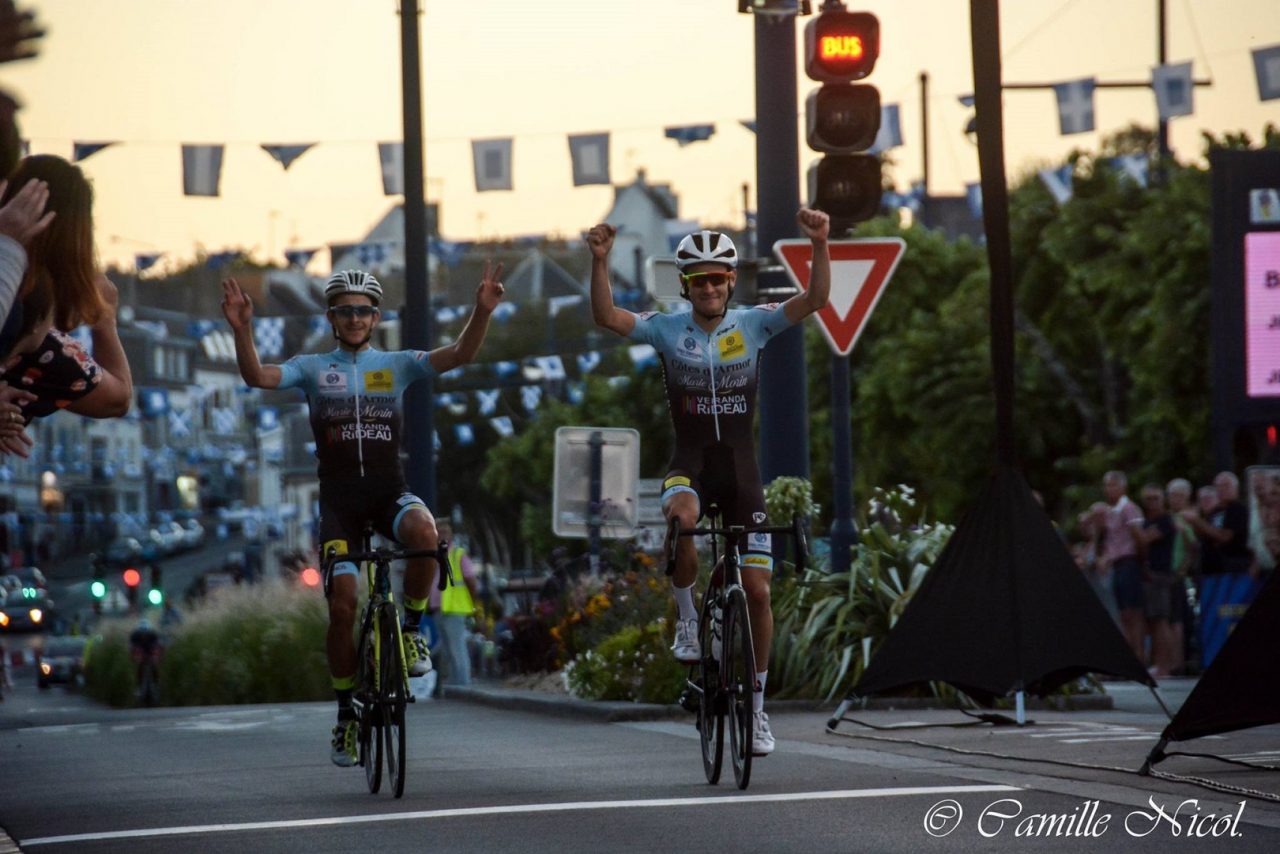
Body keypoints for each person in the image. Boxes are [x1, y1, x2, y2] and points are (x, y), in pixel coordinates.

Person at [221, 263, 504, 767]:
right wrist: (242, 329)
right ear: (332, 317)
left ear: (376, 318)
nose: (355, 318)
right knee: (345, 605)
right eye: (346, 311)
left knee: (424, 532)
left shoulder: (398, 364)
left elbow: (460, 354)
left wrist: (480, 312)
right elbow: (257, 376)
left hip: (388, 493)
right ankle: (346, 716)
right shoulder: (311, 367)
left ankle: (413, 632)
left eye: (364, 311)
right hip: (340, 507)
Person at [585, 208, 831, 757]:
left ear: (730, 281)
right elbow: (607, 317)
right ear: (686, 286)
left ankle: (759, 711)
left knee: (761, 591)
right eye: (699, 280)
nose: (710, 288)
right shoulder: (668, 328)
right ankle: (690, 623)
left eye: (718, 277)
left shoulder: (755, 323)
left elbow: (814, 301)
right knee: (685, 520)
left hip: (743, 473)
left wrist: (819, 243)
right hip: (690, 464)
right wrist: (599, 261)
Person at [0, 156, 133, 457]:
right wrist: (105, 321)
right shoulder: (33, 321)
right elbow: (118, 398)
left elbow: (117, 399)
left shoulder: (42, 346)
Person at [1079, 471, 1144, 656]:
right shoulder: (1111, 512)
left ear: (1123, 487)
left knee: (1133, 614)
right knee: (1123, 614)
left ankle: (1139, 657)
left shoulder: (1128, 508)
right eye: (1107, 485)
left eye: (1114, 485)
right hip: (1116, 564)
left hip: (1128, 562)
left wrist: (1140, 560)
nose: (1110, 489)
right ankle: (1128, 655)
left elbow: (1138, 537)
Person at [430, 519, 478, 687]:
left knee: (457, 649)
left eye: (445, 532)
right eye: (439, 532)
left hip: (455, 608)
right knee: (447, 651)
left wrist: (472, 602)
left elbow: (471, 580)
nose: (442, 535)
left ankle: (463, 686)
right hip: (438, 609)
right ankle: (453, 687)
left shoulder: (458, 554)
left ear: (450, 535)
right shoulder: (435, 554)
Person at [1134, 483, 1176, 677]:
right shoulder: (1147, 521)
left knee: (1160, 620)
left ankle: (1164, 665)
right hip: (1148, 574)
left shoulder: (1165, 520)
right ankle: (1158, 663)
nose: (1152, 503)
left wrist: (1132, 528)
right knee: (1152, 621)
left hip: (1160, 574)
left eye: (1156, 498)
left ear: (1163, 499)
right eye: (1148, 499)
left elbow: (1143, 540)